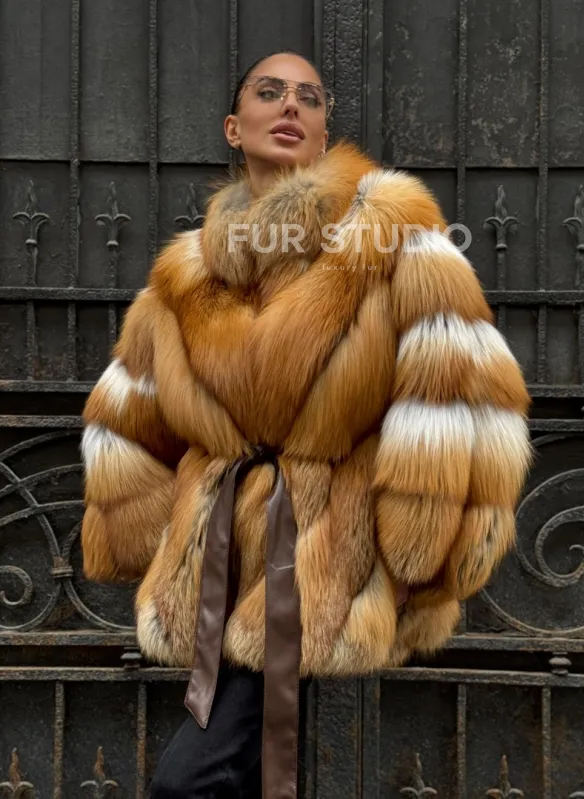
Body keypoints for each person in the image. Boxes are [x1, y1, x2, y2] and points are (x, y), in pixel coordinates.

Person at [79, 50, 532, 799]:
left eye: (309, 98)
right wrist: (143, 531)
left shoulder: (394, 234)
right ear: (234, 126)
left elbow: (463, 395)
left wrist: (417, 549)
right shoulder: (186, 274)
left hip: (327, 551)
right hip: (221, 562)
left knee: (187, 784)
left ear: (324, 134)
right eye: (269, 92)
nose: (291, 105)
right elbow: (128, 413)